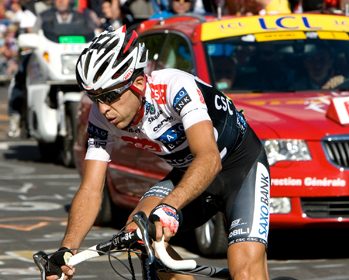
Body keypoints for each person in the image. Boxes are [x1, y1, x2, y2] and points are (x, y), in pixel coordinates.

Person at [46, 25, 271, 280]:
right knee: (139, 230)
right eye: (94, 97)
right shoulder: (101, 117)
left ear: (139, 83)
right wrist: (67, 250)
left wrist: (170, 207)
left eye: (110, 96)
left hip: (240, 168)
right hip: (190, 173)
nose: (103, 108)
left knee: (244, 272)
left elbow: (209, 158)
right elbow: (91, 188)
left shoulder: (174, 87)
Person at [7, 0, 97, 138]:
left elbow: (95, 33)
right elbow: (35, 35)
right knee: (21, 73)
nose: (61, 2)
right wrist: (30, 38)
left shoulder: (83, 17)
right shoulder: (44, 17)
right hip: (52, 60)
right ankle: (16, 114)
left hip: (75, 61)